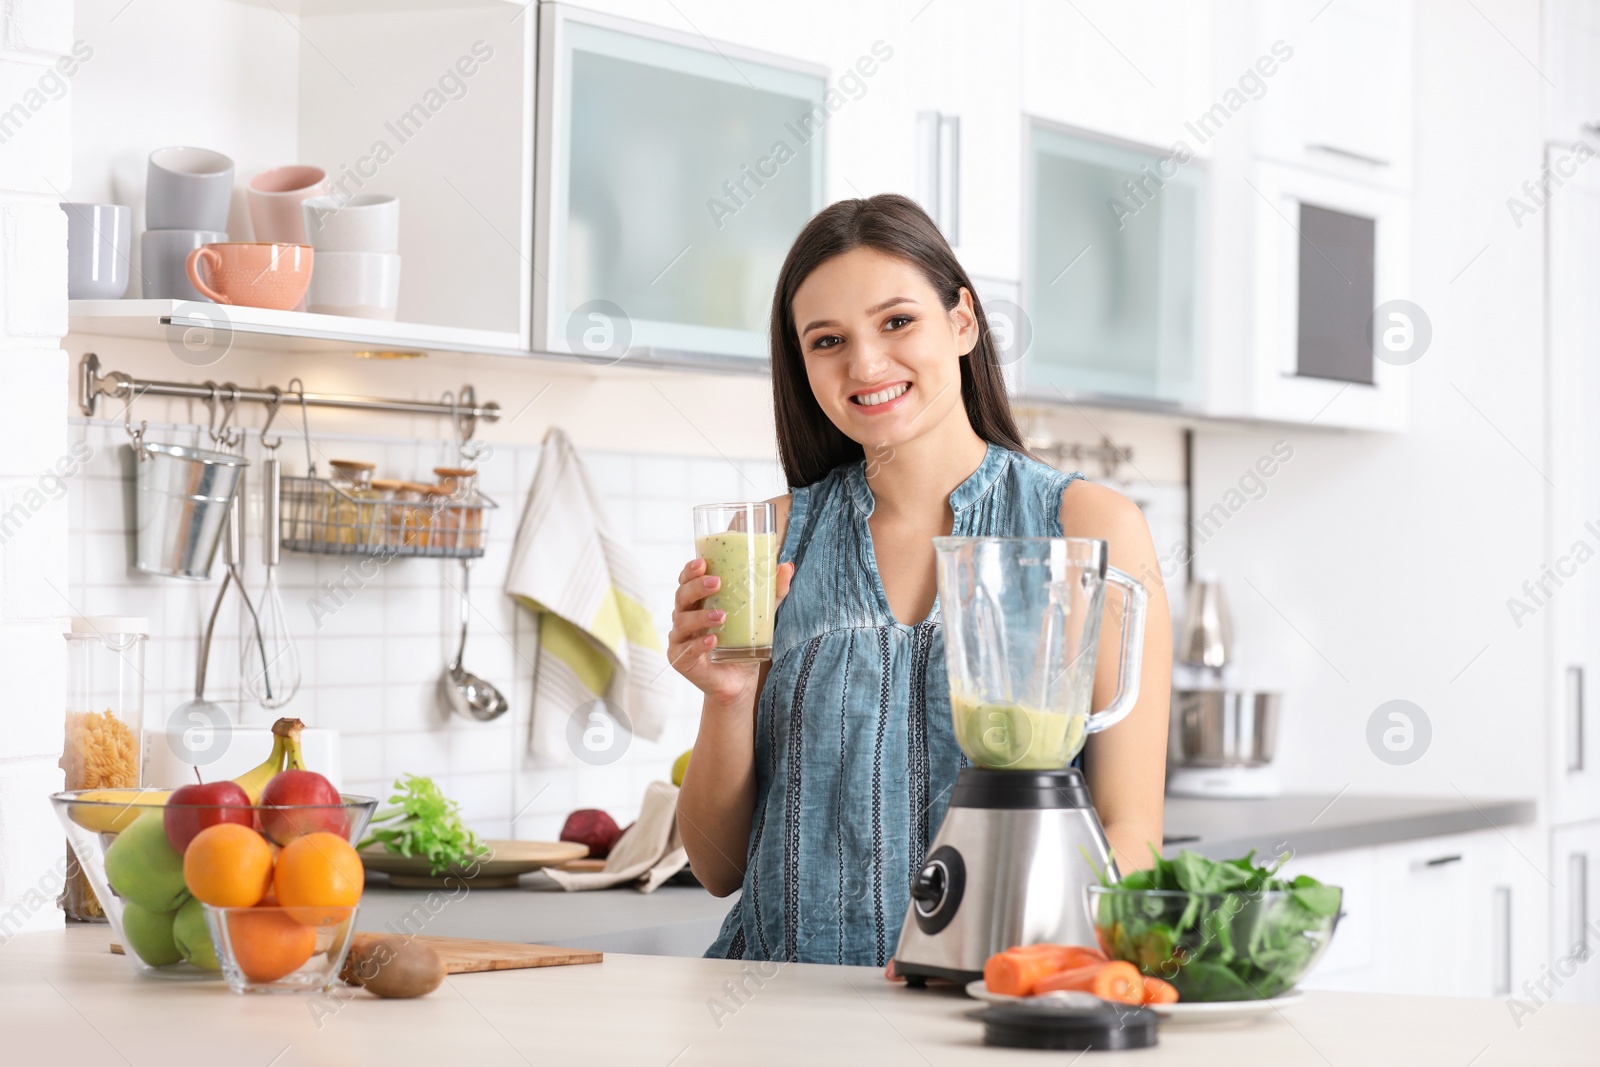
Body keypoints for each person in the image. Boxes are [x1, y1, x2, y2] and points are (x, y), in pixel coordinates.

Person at [672, 194, 1171, 966]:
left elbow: (1130, 829)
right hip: (779, 1020)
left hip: (993, 1013)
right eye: (828, 340)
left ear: (963, 322)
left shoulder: (1089, 528)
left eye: (897, 321)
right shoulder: (764, 542)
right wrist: (726, 698)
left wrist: (1083, 988)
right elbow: (717, 868)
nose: (865, 364)